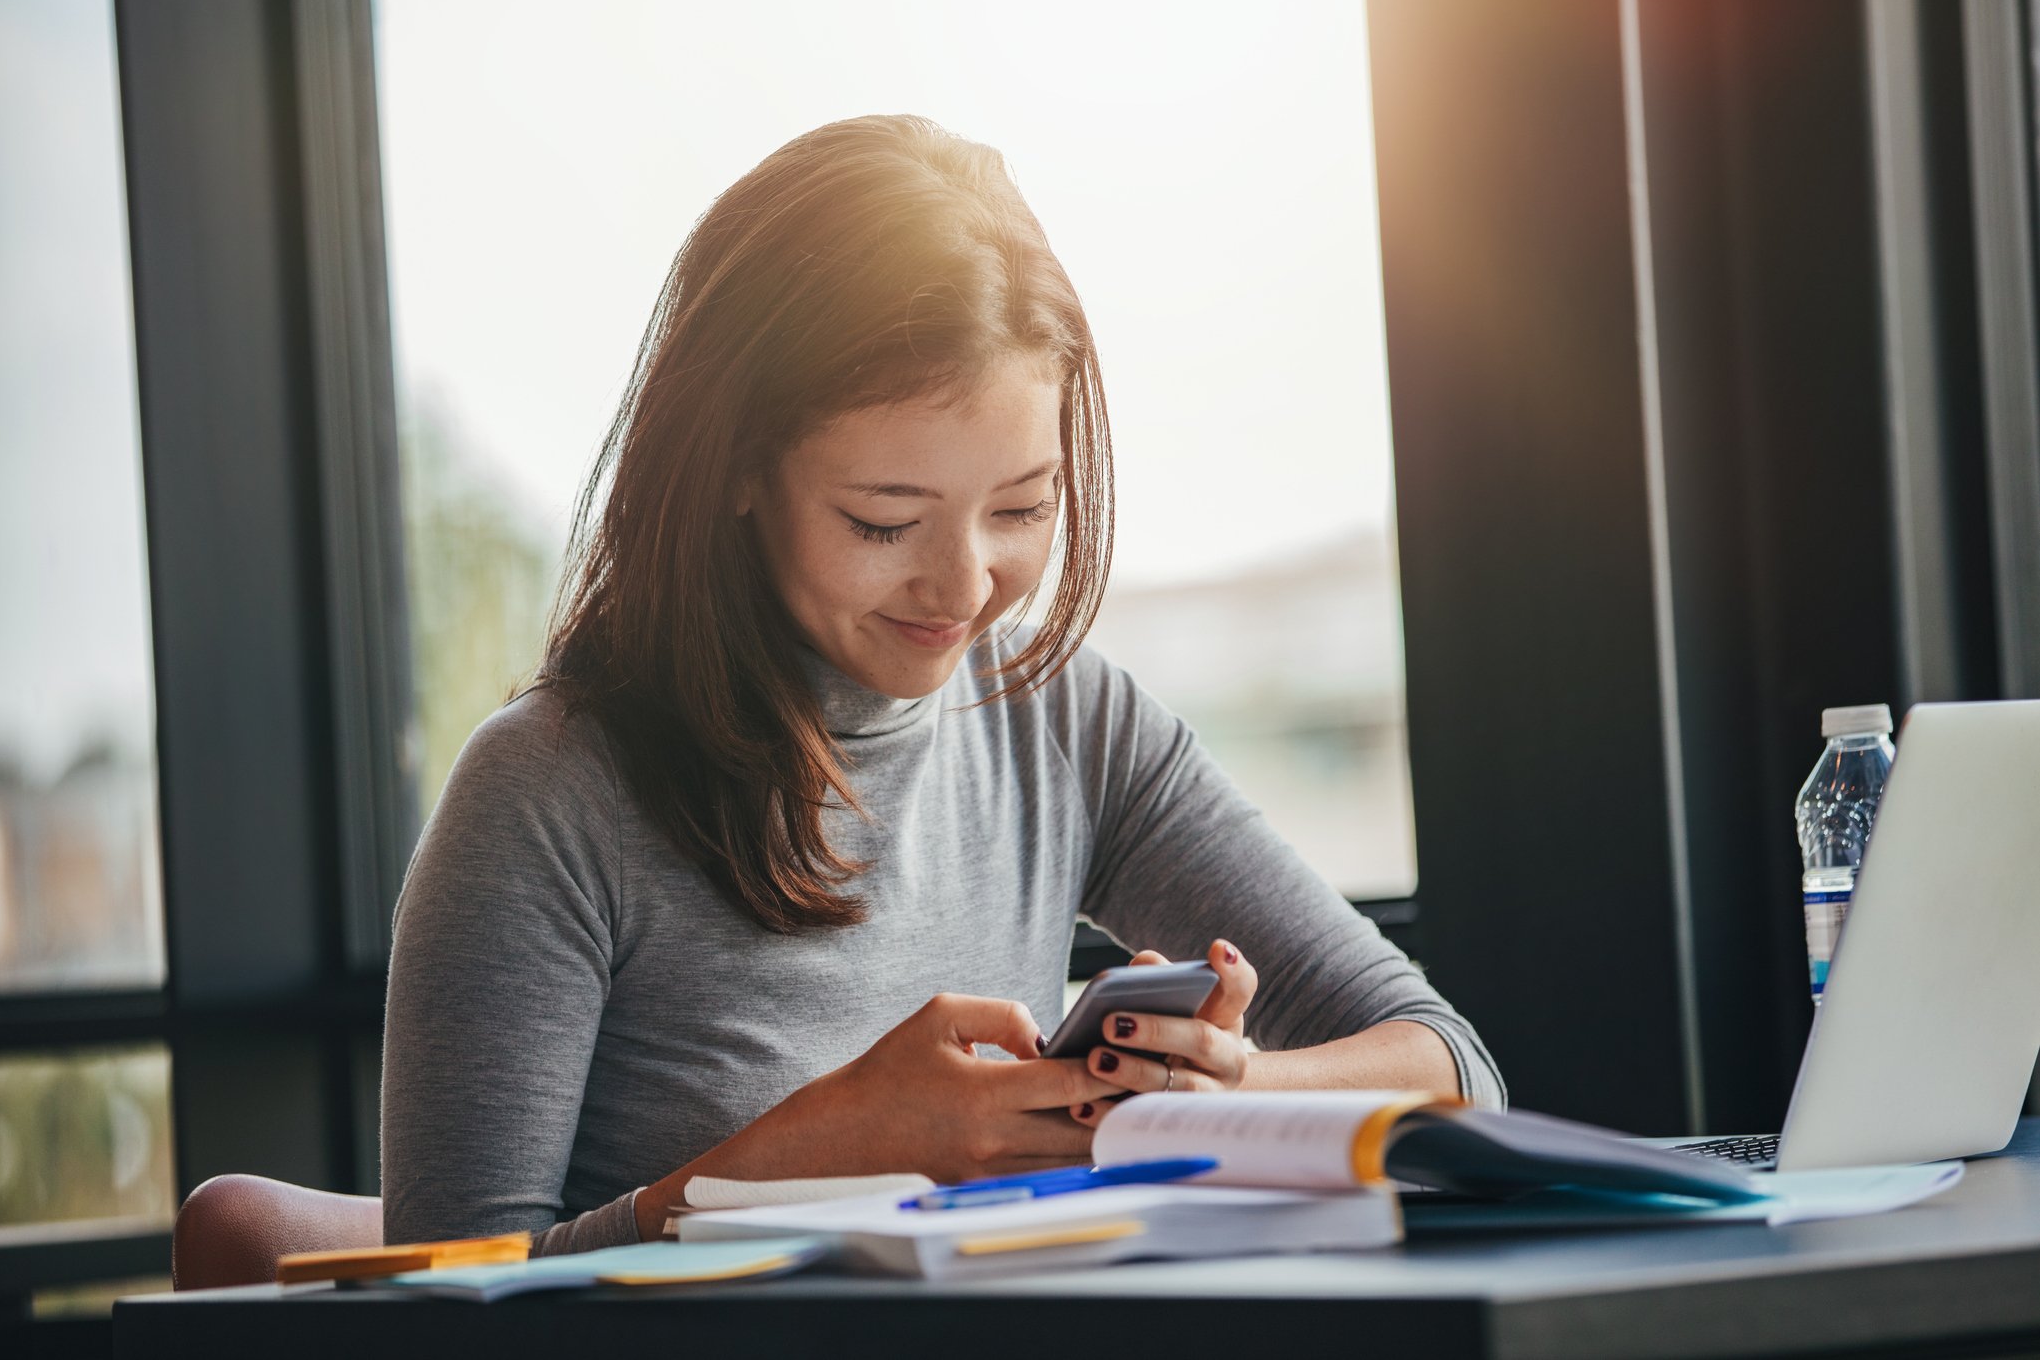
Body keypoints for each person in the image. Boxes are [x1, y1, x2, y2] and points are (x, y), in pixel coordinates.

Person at [380, 114, 1504, 1254]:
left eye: (1022, 508)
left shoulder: (1064, 721)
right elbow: (441, 1299)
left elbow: (1451, 1069)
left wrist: (1226, 1088)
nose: (965, 585)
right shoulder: (548, 793)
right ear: (733, 468)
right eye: (885, 520)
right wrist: (802, 1160)